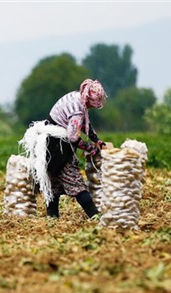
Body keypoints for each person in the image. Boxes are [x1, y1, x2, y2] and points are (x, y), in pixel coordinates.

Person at [19, 79, 108, 219]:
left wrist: (97, 140)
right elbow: (73, 137)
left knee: (54, 183)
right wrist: (90, 147)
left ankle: (52, 218)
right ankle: (95, 216)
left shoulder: (76, 97)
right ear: (89, 99)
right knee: (75, 182)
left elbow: (86, 124)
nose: (93, 106)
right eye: (93, 104)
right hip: (57, 147)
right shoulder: (77, 111)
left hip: (49, 144)